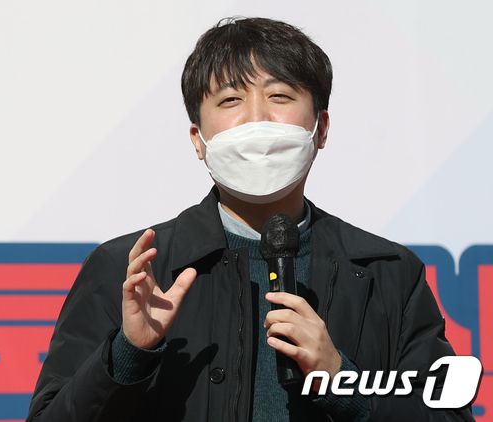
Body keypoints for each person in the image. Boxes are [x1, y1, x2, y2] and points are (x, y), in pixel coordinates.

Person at [27, 17, 474, 421]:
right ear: (198, 139)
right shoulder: (134, 269)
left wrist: (341, 379)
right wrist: (128, 353)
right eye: (230, 99)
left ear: (320, 128)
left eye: (279, 96)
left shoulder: (386, 272)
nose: (257, 119)